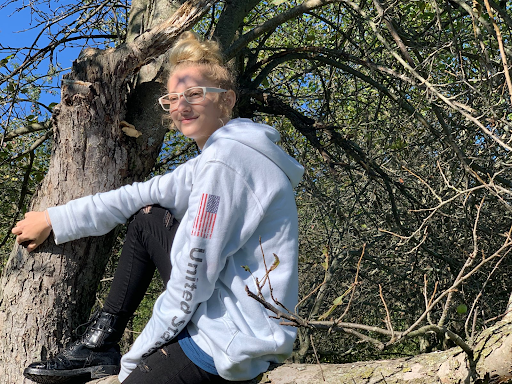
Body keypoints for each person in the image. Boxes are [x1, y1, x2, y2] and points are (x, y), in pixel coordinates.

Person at [13, 31, 304, 384]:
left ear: (226, 100)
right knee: (148, 219)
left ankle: (115, 354)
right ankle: (102, 341)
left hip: (232, 340)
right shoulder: (215, 158)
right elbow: (134, 198)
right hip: (232, 317)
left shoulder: (227, 162)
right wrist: (54, 219)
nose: (181, 107)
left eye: (194, 95)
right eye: (173, 98)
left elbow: (191, 280)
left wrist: (134, 364)